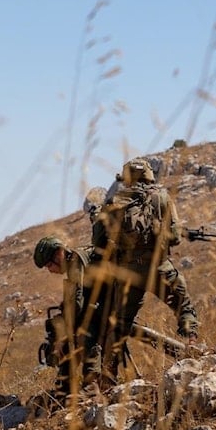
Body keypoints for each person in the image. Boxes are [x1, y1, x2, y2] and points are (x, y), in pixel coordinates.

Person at [91, 158, 199, 372]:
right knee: (183, 307)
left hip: (128, 273)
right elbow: (175, 237)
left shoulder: (113, 202)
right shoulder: (163, 197)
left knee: (120, 323)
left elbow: (98, 243)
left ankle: (108, 375)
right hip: (159, 267)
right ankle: (193, 349)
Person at [32, 236, 112, 402]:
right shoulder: (73, 264)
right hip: (100, 303)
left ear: (59, 253)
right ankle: (65, 385)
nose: (50, 270)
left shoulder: (76, 261)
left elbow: (77, 303)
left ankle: (91, 385)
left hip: (109, 305)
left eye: (49, 264)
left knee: (83, 328)